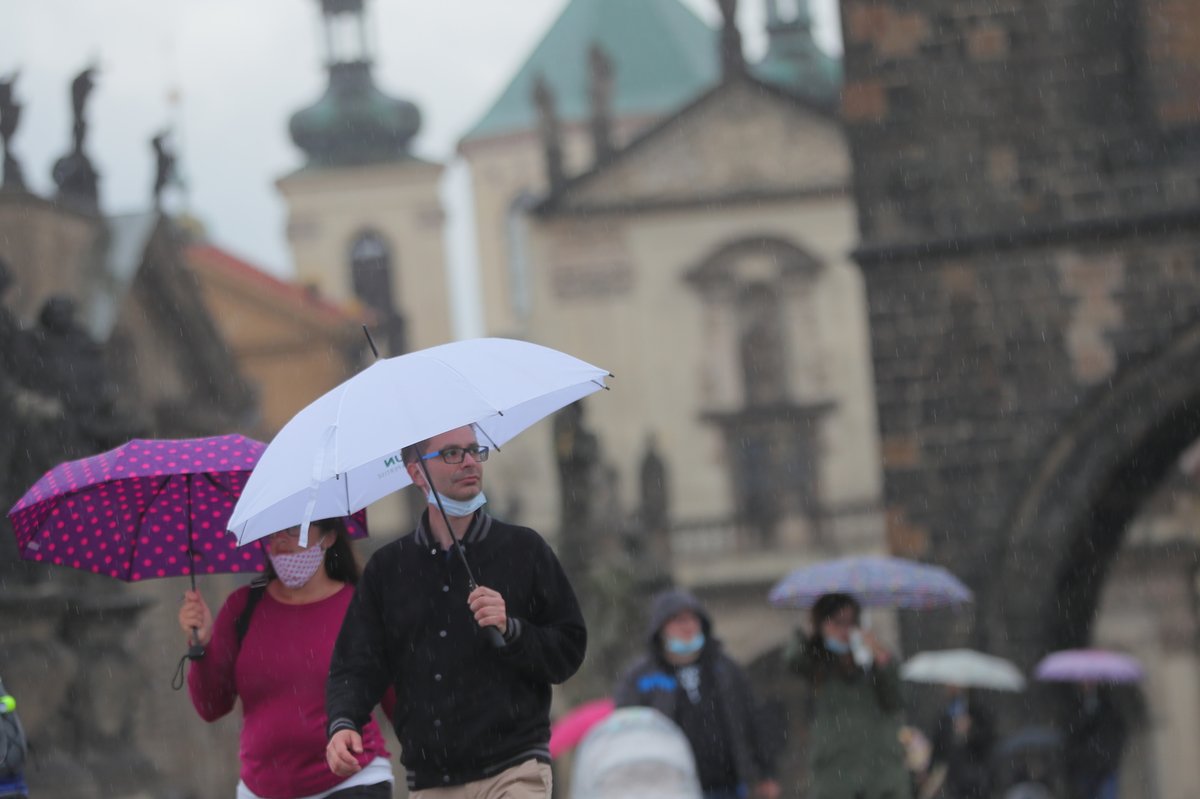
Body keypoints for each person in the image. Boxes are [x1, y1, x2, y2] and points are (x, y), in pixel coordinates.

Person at [325, 425, 587, 798]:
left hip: (514, 768)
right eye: (451, 453)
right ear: (417, 472)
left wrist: (512, 629)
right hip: (432, 780)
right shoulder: (387, 570)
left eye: (474, 450)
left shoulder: (524, 549)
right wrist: (343, 722)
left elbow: (568, 651)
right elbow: (355, 664)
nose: (469, 462)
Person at [179, 517, 394, 799]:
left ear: (328, 537)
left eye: (295, 529)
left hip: (353, 782)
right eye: (273, 529)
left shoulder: (360, 606)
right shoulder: (242, 607)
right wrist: (202, 646)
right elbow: (212, 707)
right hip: (260, 788)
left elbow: (397, 699)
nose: (280, 539)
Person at [614, 588, 780, 799]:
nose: (688, 626)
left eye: (693, 619)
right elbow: (626, 732)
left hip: (728, 786)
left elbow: (754, 721)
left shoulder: (726, 669)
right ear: (660, 629)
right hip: (668, 789)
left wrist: (767, 773)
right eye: (678, 620)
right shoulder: (639, 678)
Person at [785, 592, 912, 799]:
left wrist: (879, 656)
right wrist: (812, 631)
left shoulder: (873, 661)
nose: (844, 630)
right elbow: (793, 659)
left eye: (850, 622)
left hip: (880, 775)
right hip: (836, 774)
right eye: (837, 622)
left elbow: (897, 699)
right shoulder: (820, 665)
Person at [927, 686, 996, 798]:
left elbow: (988, 740)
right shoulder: (946, 714)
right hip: (954, 779)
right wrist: (930, 770)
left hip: (976, 778)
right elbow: (939, 744)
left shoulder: (979, 712)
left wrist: (971, 730)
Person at [1063, 684, 1127, 799]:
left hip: (1105, 766)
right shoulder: (1075, 707)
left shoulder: (1108, 706)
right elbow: (1071, 735)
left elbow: (1116, 732)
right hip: (1085, 767)